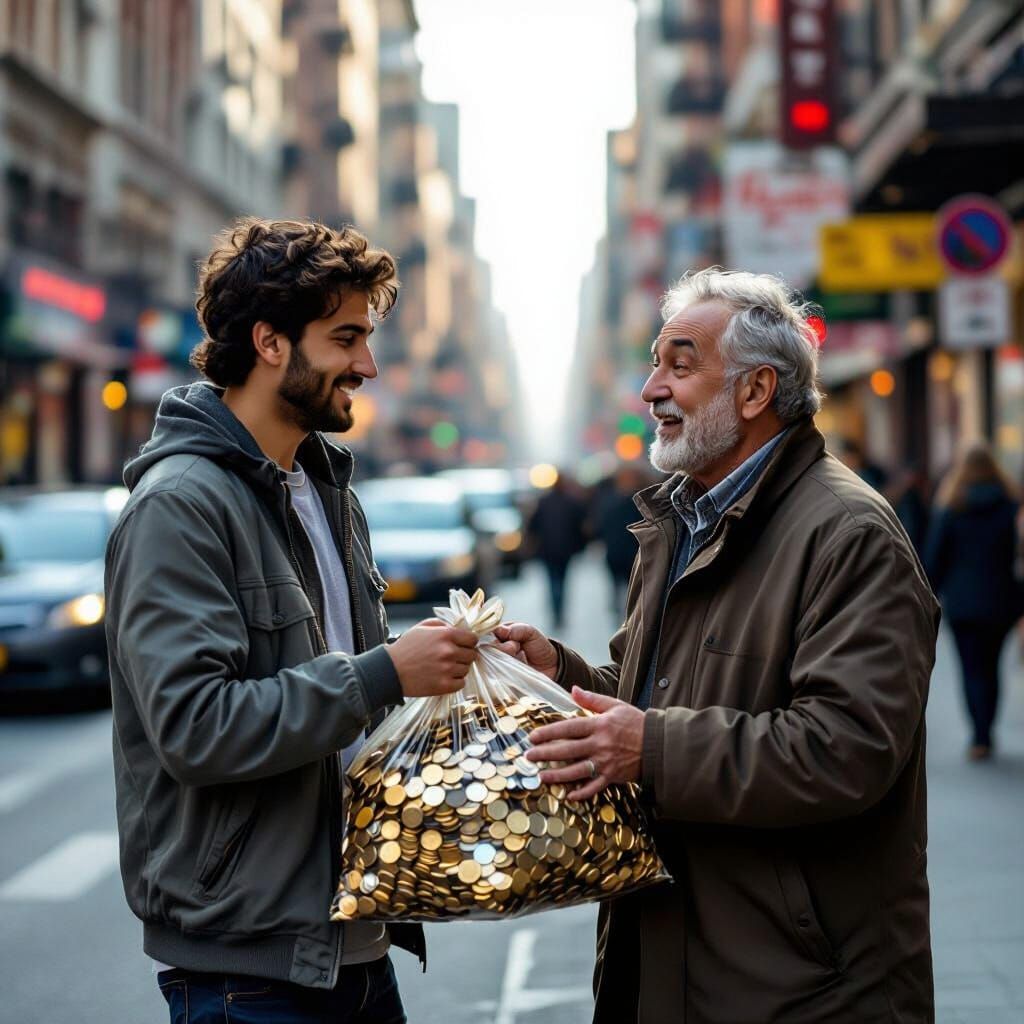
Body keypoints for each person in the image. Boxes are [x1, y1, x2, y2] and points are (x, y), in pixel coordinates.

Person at [496, 268, 940, 1024]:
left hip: (802, 987)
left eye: (680, 363)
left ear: (755, 391)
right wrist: (558, 672)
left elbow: (849, 748)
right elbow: (661, 699)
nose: (649, 389)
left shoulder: (849, 533)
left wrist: (651, 750)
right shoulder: (679, 521)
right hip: (674, 957)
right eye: (653, 363)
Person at [104, 218, 486, 1024]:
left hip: (352, 944)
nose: (368, 365)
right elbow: (196, 726)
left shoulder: (325, 490)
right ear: (270, 342)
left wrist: (450, 669)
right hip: (249, 975)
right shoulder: (181, 505)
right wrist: (386, 670)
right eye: (346, 338)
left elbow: (331, 690)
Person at [924, 442, 1023, 760]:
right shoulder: (1010, 506)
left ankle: (980, 736)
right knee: (992, 666)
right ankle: (987, 728)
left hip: (964, 602)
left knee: (971, 668)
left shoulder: (952, 507)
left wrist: (928, 601)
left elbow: (934, 559)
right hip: (1002, 600)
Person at [525, 472, 587, 627]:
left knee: (552, 582)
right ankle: (559, 612)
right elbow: (580, 527)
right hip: (565, 550)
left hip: (548, 550)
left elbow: (533, 526)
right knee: (562, 581)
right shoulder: (571, 502)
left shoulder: (543, 502)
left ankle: (556, 612)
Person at [594, 465, 643, 617]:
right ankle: (626, 611)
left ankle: (624, 610)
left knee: (626, 584)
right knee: (626, 584)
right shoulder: (636, 501)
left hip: (624, 550)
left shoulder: (611, 501)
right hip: (623, 551)